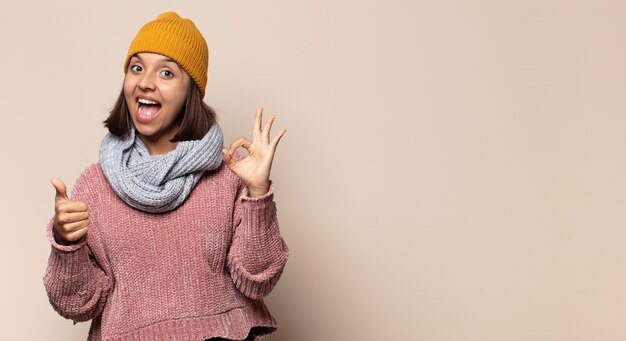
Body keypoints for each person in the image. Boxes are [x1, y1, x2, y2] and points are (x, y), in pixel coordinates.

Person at [43, 12, 288, 341]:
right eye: (137, 67)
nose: (145, 81)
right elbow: (76, 304)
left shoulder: (230, 172)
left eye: (167, 72)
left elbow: (258, 280)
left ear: (191, 91)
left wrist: (257, 193)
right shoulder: (94, 186)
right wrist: (66, 243)